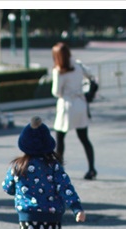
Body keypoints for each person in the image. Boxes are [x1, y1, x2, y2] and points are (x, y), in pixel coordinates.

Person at [51, 41, 97, 180]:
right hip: (80, 103)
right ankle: (91, 168)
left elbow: (56, 92)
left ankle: (58, 171)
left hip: (67, 105)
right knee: (84, 138)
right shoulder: (78, 65)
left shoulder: (59, 71)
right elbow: (91, 76)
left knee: (60, 139)